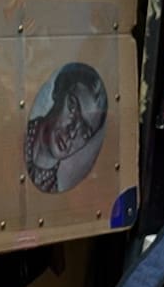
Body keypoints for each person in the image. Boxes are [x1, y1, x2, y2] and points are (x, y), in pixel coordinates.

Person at [24, 62, 108, 194]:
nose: (72, 132)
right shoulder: (9, 139)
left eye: (85, 131)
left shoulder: (55, 194)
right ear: (58, 91)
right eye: (73, 107)